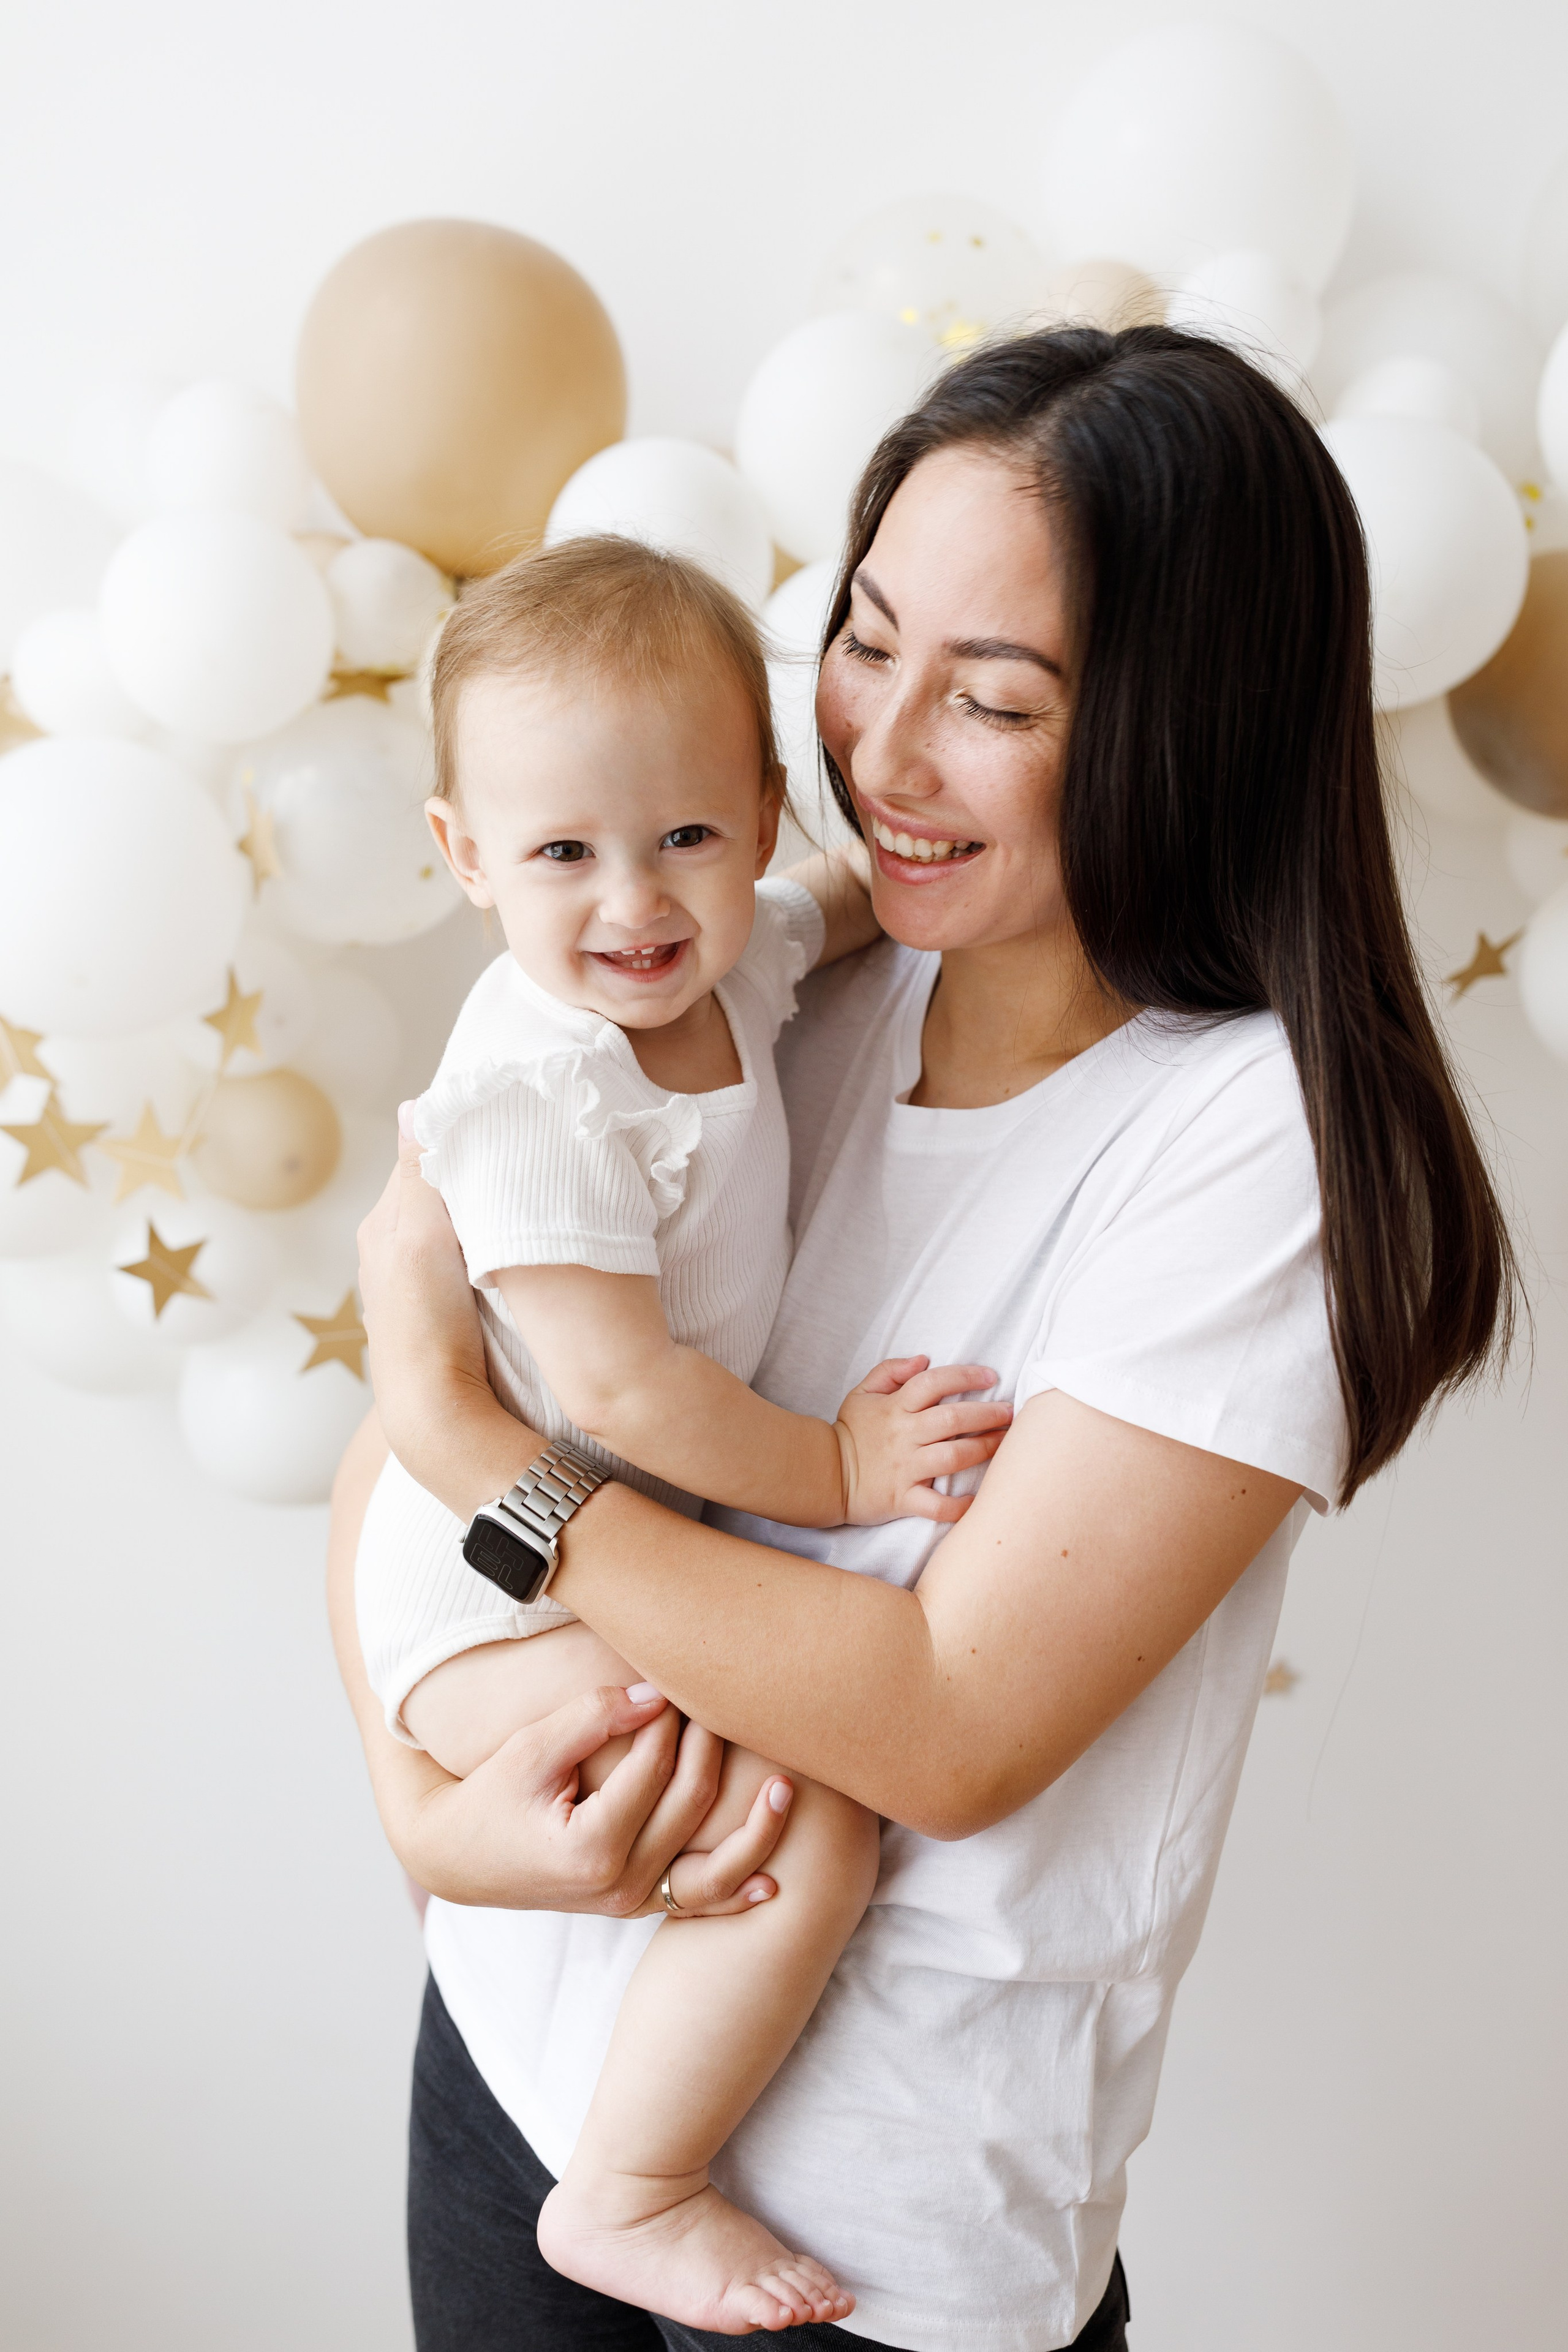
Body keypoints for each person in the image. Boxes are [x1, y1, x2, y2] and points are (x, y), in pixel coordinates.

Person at [329, 325, 1515, 2352]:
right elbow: (425, 1440)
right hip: (519, 2064)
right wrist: (421, 1808)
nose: (881, 753)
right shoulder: (778, 975)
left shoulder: (1253, 1148)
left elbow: (941, 1727)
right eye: (869, 640)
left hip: (855, 2259)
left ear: (1181, 729)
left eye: (994, 699)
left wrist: (467, 1438)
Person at [354, 533, 1011, 2332]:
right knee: (804, 1837)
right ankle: (631, 2192)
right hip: (485, 1593)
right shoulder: (539, 1083)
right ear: (463, 857)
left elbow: (848, 900)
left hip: (588, 1564)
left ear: (755, 812)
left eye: (686, 838)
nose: (632, 901)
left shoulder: (735, 961)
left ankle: (617, 2136)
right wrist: (844, 1476)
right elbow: (625, 1391)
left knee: (756, 1825)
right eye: (561, 852)